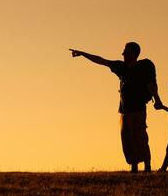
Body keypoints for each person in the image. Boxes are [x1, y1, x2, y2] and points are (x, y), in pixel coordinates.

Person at [70, 42, 163, 173]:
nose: (123, 54)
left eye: (126, 51)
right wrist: (82, 54)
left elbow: (151, 85)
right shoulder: (120, 67)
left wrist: (157, 99)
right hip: (124, 110)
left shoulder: (144, 67)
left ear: (134, 53)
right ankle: (134, 167)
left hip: (138, 109)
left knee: (140, 137)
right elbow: (101, 60)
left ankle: (147, 166)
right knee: (127, 139)